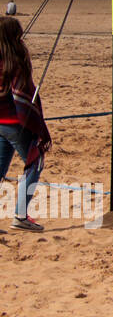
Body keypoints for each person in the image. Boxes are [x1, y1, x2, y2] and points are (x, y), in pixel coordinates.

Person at [0, 16, 50, 231]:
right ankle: (20, 215)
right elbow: (22, 92)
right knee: (35, 163)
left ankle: (20, 215)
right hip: (15, 123)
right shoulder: (16, 60)